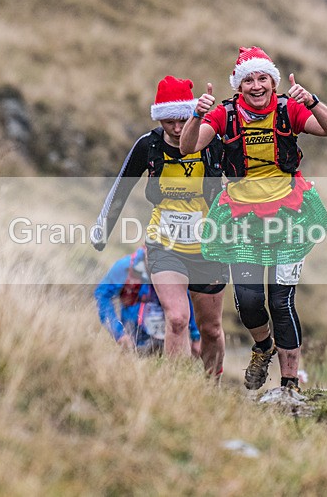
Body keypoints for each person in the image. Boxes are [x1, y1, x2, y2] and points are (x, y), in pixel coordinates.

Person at [180, 46, 327, 392]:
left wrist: (311, 100)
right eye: (248, 80)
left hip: (289, 216)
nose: (256, 86)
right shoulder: (224, 114)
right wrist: (196, 115)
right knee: (250, 302)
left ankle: (289, 383)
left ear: (273, 81)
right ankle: (263, 346)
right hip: (241, 219)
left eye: (262, 78)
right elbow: (187, 148)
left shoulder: (288, 109)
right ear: (238, 86)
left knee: (281, 301)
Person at [90, 76, 229, 378]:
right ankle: (175, 388)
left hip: (209, 247)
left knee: (211, 330)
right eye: (169, 122)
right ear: (159, 118)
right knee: (177, 318)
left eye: (183, 120)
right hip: (164, 245)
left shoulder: (212, 144)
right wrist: (102, 229)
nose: (178, 129)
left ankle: (211, 388)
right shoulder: (148, 145)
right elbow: (121, 188)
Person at [94, 246, 201, 357]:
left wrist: (196, 335)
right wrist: (119, 333)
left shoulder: (175, 271)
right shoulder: (126, 267)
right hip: (135, 341)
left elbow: (187, 301)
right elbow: (102, 295)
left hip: (169, 340)